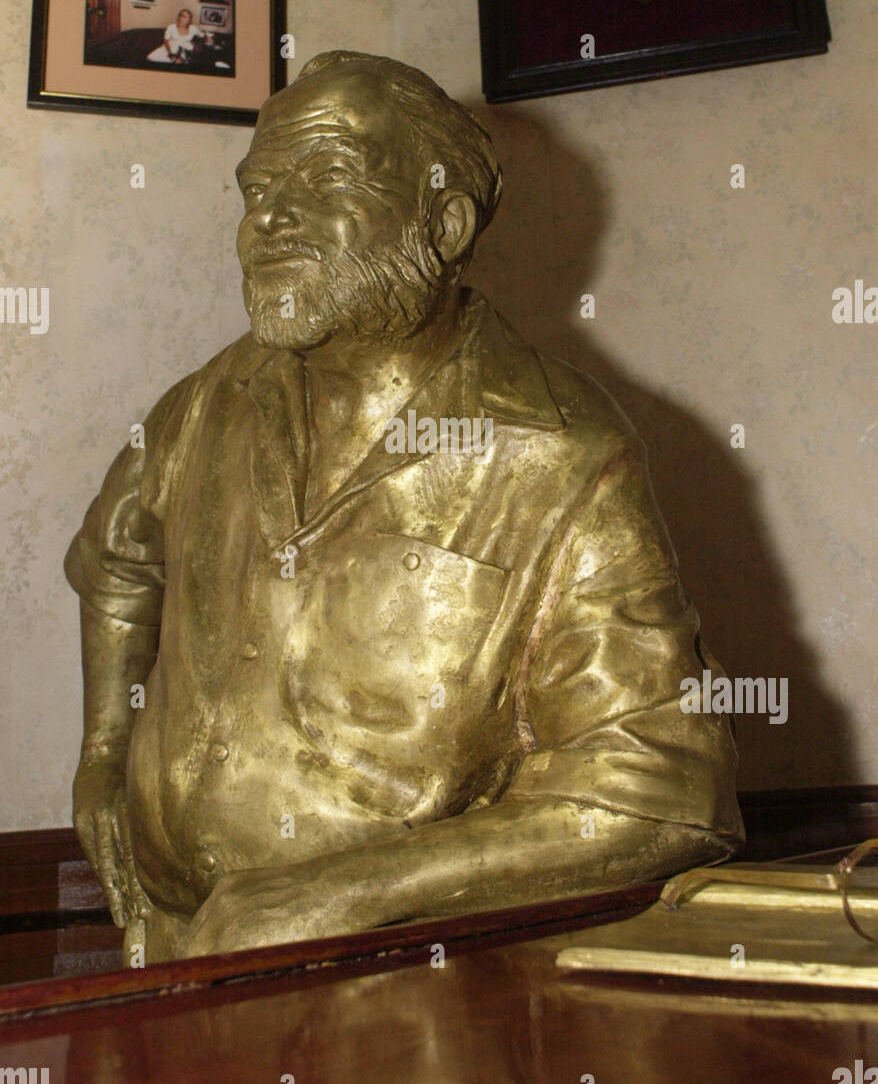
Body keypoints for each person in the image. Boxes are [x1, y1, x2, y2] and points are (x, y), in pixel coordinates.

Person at [67, 51, 744, 963]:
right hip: (163, 943)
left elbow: (664, 792)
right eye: (257, 188)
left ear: (445, 220)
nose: (269, 217)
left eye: (329, 177)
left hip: (407, 985)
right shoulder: (211, 399)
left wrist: (341, 895)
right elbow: (116, 558)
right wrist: (106, 747)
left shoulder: (558, 454)